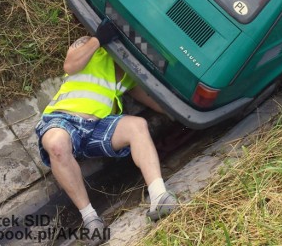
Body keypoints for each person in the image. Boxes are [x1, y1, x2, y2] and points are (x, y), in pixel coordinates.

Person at [35, 19, 177, 246]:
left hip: (99, 128)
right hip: (64, 119)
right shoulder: (89, 46)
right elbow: (70, 65)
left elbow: (154, 101)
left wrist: (182, 110)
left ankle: (160, 196)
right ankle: (91, 221)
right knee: (56, 144)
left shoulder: (130, 73)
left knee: (138, 126)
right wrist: (99, 39)